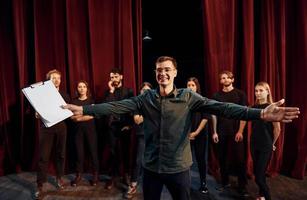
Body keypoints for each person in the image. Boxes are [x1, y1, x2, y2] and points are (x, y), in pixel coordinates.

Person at [63, 56, 299, 200]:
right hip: (152, 169)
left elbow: (223, 108)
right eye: (158, 70)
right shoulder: (145, 99)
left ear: (175, 72)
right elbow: (115, 106)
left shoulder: (188, 96)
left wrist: (260, 113)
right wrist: (85, 110)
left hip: (179, 169)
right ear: (155, 74)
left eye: (167, 69)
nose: (162, 72)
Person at [211, 70, 249, 196]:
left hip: (236, 132)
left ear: (232, 79)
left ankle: (242, 186)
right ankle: (225, 182)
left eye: (228, 78)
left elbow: (245, 114)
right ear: (220, 81)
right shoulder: (216, 96)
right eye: (223, 78)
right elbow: (214, 115)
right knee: (222, 158)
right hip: (221, 131)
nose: (225, 80)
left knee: (240, 159)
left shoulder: (240, 94)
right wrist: (215, 132)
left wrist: (240, 131)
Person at [36, 69, 70, 198]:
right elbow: (36, 112)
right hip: (46, 128)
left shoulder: (65, 95)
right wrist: (37, 114)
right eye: (53, 78)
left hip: (61, 127)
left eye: (58, 78)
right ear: (48, 81)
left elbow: (68, 111)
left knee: (60, 154)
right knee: (43, 157)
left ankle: (59, 178)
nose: (56, 80)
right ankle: (40, 185)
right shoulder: (41, 96)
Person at [104, 68, 134, 189]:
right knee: (113, 152)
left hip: (124, 126)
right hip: (112, 127)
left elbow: (132, 108)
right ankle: (113, 177)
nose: (114, 79)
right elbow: (107, 107)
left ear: (121, 77)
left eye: (116, 77)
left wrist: (130, 125)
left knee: (126, 152)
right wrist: (111, 91)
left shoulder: (129, 91)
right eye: (112, 77)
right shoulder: (108, 92)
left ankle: (126, 175)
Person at [251, 82, 280, 200]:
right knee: (260, 174)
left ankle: (267, 197)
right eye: (256, 91)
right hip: (253, 144)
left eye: (261, 90)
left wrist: (272, 144)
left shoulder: (272, 108)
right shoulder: (253, 108)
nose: (258, 93)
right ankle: (261, 196)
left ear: (268, 92)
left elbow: (277, 129)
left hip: (265, 146)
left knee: (258, 177)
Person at [125, 82, 153, 199]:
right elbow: (137, 120)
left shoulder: (155, 103)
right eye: (143, 90)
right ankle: (133, 184)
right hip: (142, 135)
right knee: (138, 160)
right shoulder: (138, 105)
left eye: (148, 90)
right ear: (140, 92)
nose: (145, 92)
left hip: (154, 136)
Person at [70, 81, 99, 187]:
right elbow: (72, 117)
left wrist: (79, 117)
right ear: (77, 89)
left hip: (90, 131)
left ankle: (95, 175)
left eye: (84, 87)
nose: (81, 88)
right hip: (78, 132)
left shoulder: (91, 101)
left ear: (87, 89)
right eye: (79, 87)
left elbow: (93, 115)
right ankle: (79, 175)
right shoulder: (73, 101)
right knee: (79, 153)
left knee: (93, 152)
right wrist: (84, 114)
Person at [186, 77, 210, 194]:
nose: (190, 87)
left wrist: (196, 132)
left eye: (192, 85)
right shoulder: (184, 100)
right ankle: (185, 183)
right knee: (186, 161)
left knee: (201, 159)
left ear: (197, 87)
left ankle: (203, 183)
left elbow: (205, 118)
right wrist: (187, 134)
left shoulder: (203, 100)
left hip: (200, 134)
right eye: (188, 85)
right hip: (186, 136)